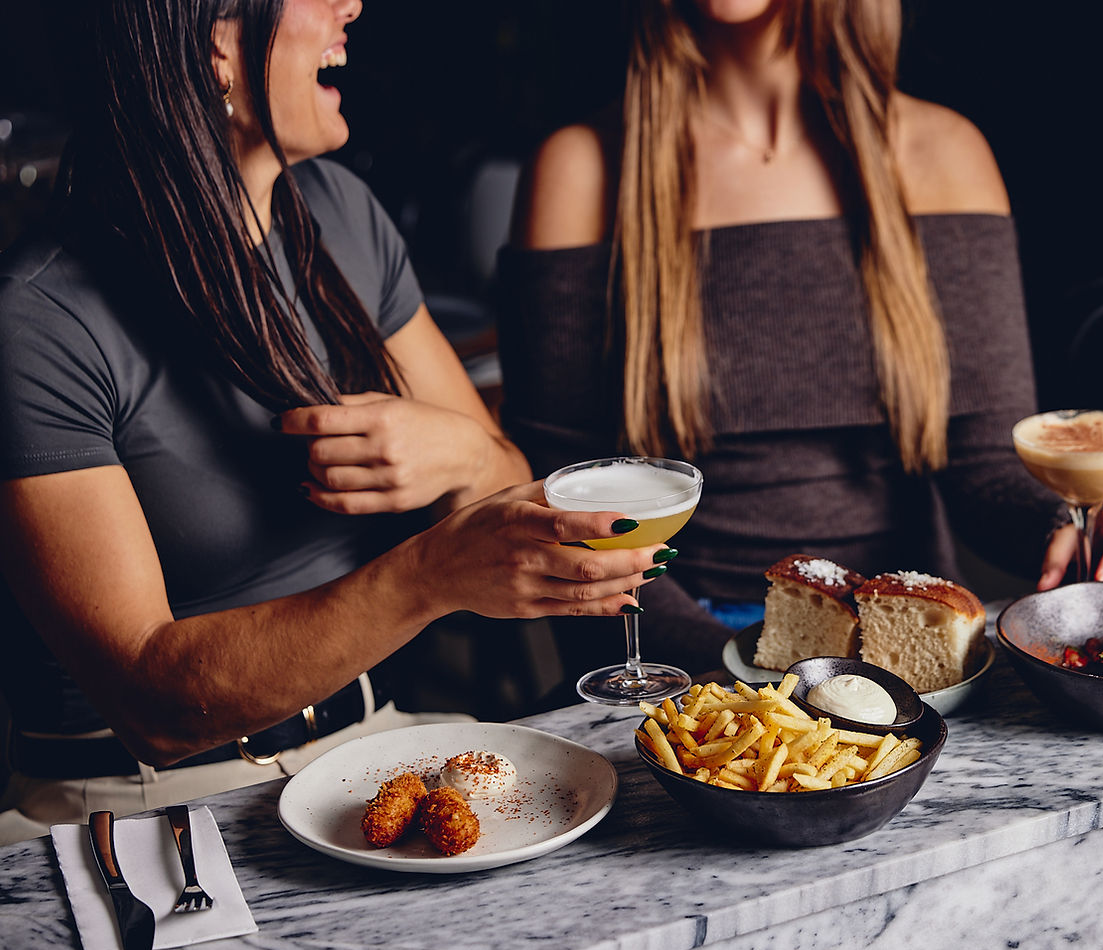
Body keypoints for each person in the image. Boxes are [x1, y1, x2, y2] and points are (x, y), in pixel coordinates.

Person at [0, 0, 665, 844]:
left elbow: (509, 496)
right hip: (133, 808)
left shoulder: (339, 212)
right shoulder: (40, 316)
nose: (350, 3)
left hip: (369, 751)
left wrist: (462, 453)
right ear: (216, 45)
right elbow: (152, 705)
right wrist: (424, 577)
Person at [498, 0, 1103, 675]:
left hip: (910, 641)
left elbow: (983, 466)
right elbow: (563, 503)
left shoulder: (943, 153)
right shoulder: (582, 171)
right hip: (696, 661)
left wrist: (1067, 531)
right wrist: (752, 679)